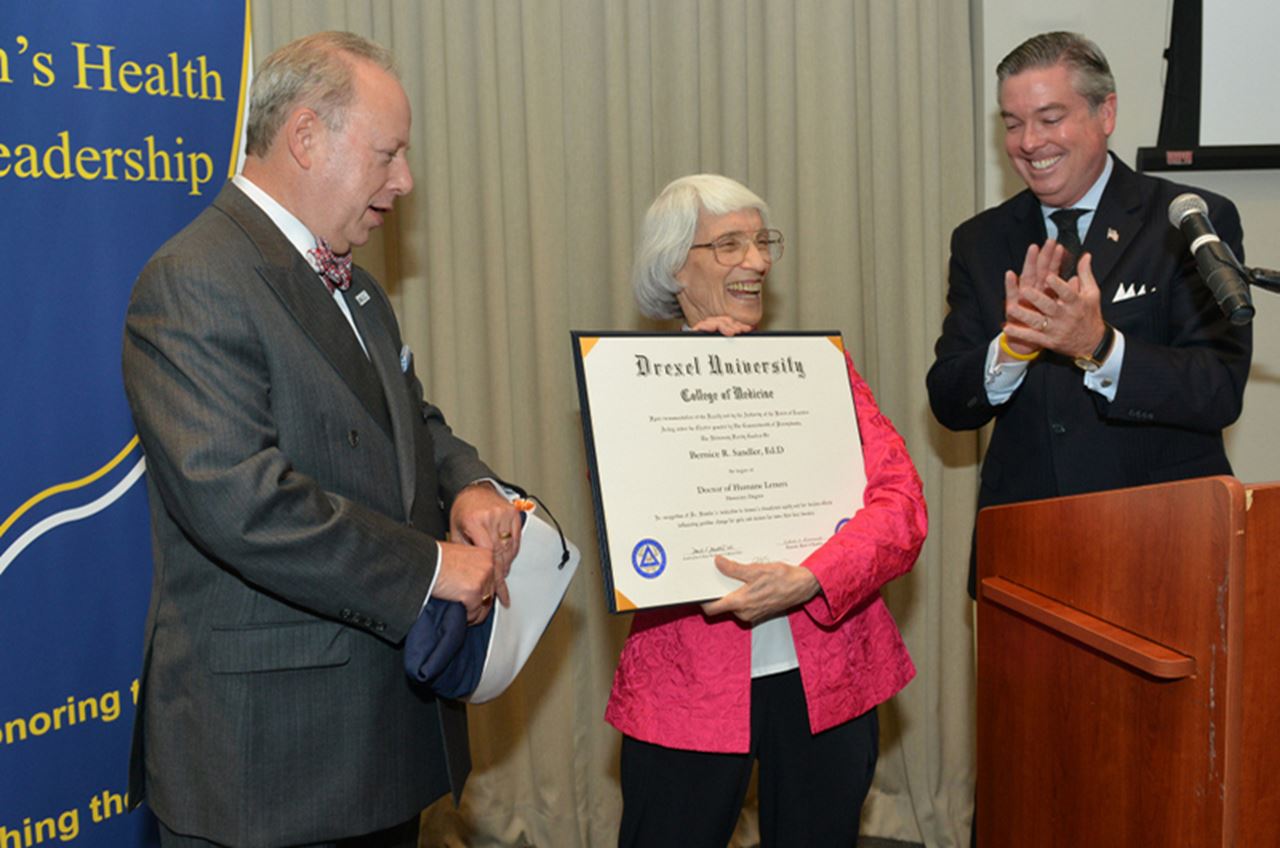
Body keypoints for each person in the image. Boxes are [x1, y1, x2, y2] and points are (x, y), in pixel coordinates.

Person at [122, 32, 523, 848]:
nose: (405, 182)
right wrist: (435, 566)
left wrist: (473, 484)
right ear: (305, 137)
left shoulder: (357, 285)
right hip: (270, 767)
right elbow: (243, 503)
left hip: (379, 745)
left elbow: (413, 422)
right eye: (388, 154)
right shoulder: (195, 278)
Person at [609, 174, 927, 847]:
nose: (756, 261)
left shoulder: (816, 373)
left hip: (829, 674)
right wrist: (697, 373)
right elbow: (634, 508)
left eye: (760, 242)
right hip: (686, 683)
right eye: (730, 244)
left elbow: (902, 509)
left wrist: (812, 576)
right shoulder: (628, 381)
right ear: (675, 267)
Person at [927, 31, 1251, 597]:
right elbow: (950, 401)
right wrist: (1011, 349)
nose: (1029, 142)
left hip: (1164, 548)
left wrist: (1099, 346)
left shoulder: (1185, 221)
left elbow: (1217, 389)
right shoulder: (981, 240)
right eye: (1012, 122)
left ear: (1107, 113)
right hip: (1026, 556)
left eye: (1050, 118)